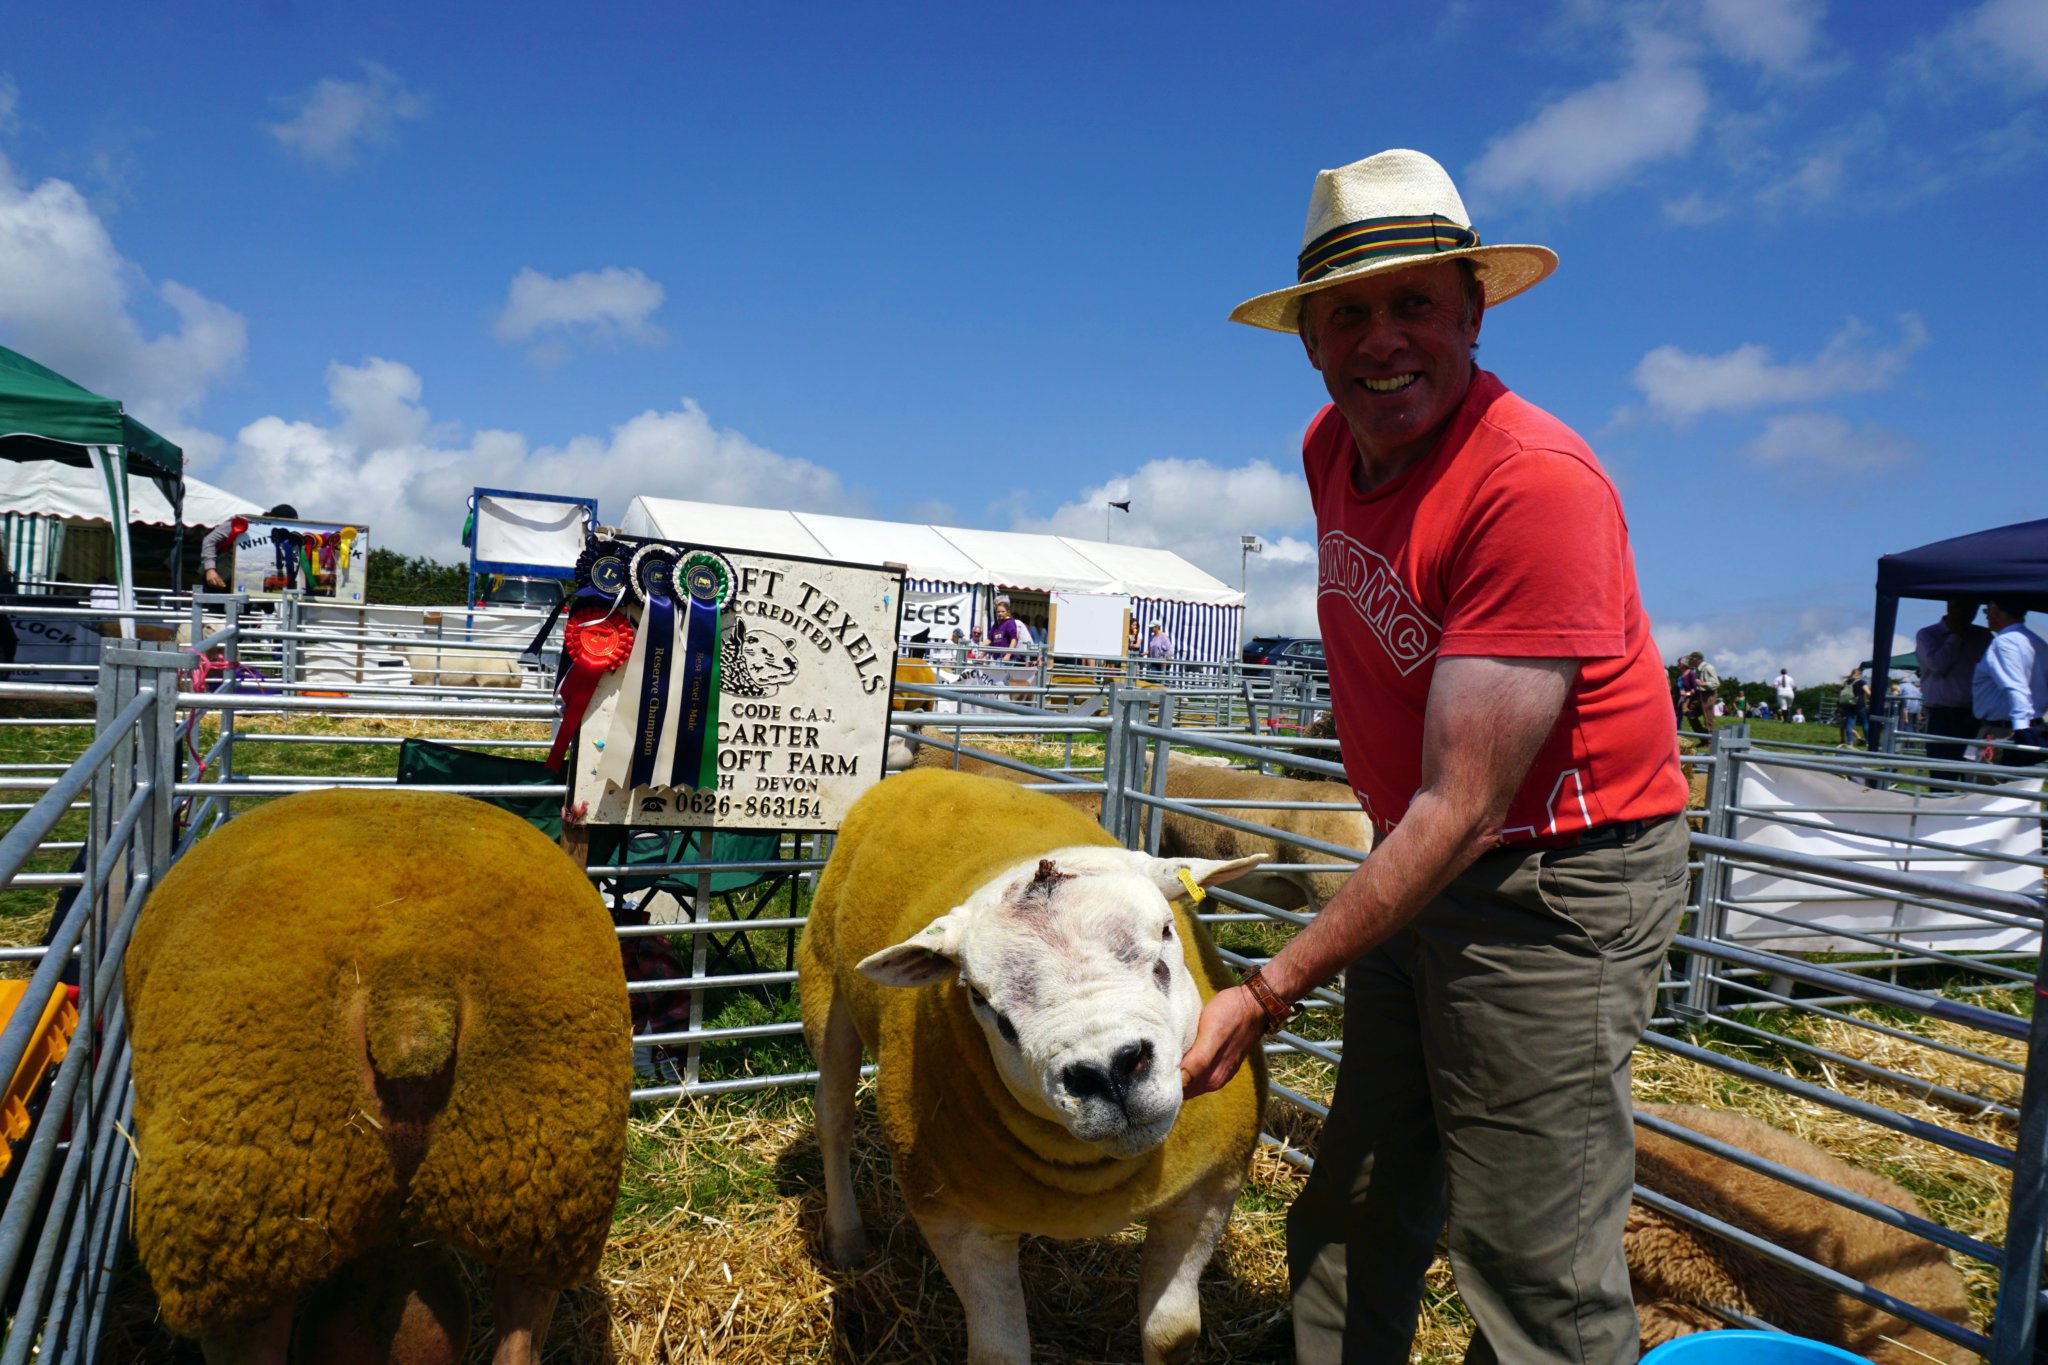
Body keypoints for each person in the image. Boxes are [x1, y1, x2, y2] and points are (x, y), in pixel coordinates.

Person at [1181, 148, 1689, 1364]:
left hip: (1550, 878)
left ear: (1472, 310)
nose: (1381, 339)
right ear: (1307, 337)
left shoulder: (1531, 485)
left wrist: (1262, 987)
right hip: (1417, 853)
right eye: (1347, 311)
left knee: (1527, 1246)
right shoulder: (1328, 448)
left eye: (1415, 302)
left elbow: (1466, 802)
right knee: (1358, 1182)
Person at [1971, 598, 2048, 767]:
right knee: (2021, 787)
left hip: (2003, 731)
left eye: (1987, 610)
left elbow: (2015, 687)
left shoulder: (2003, 643)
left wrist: (2022, 731)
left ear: (1996, 610)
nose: (1986, 616)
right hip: (2031, 727)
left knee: (1985, 790)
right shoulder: (2038, 643)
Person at [1915, 600, 1993, 766]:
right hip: (1943, 716)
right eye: (1962, 606)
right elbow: (1938, 664)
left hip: (1976, 716)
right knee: (1942, 774)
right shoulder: (1928, 635)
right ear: (1950, 606)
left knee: (1973, 775)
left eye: (1973, 608)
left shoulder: (1983, 636)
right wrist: (1956, 636)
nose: (1967, 613)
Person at [200, 503, 297, 590]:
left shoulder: (282, 539)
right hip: (220, 580)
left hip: (247, 587)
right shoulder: (242, 523)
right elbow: (209, 540)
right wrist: (210, 569)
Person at [1837, 668, 1870, 747]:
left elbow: (1840, 691)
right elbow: (1868, 693)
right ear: (1859, 675)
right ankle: (1868, 741)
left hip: (1848, 704)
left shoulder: (1846, 682)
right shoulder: (1861, 682)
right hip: (1859, 704)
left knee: (1849, 723)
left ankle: (1850, 742)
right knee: (1865, 722)